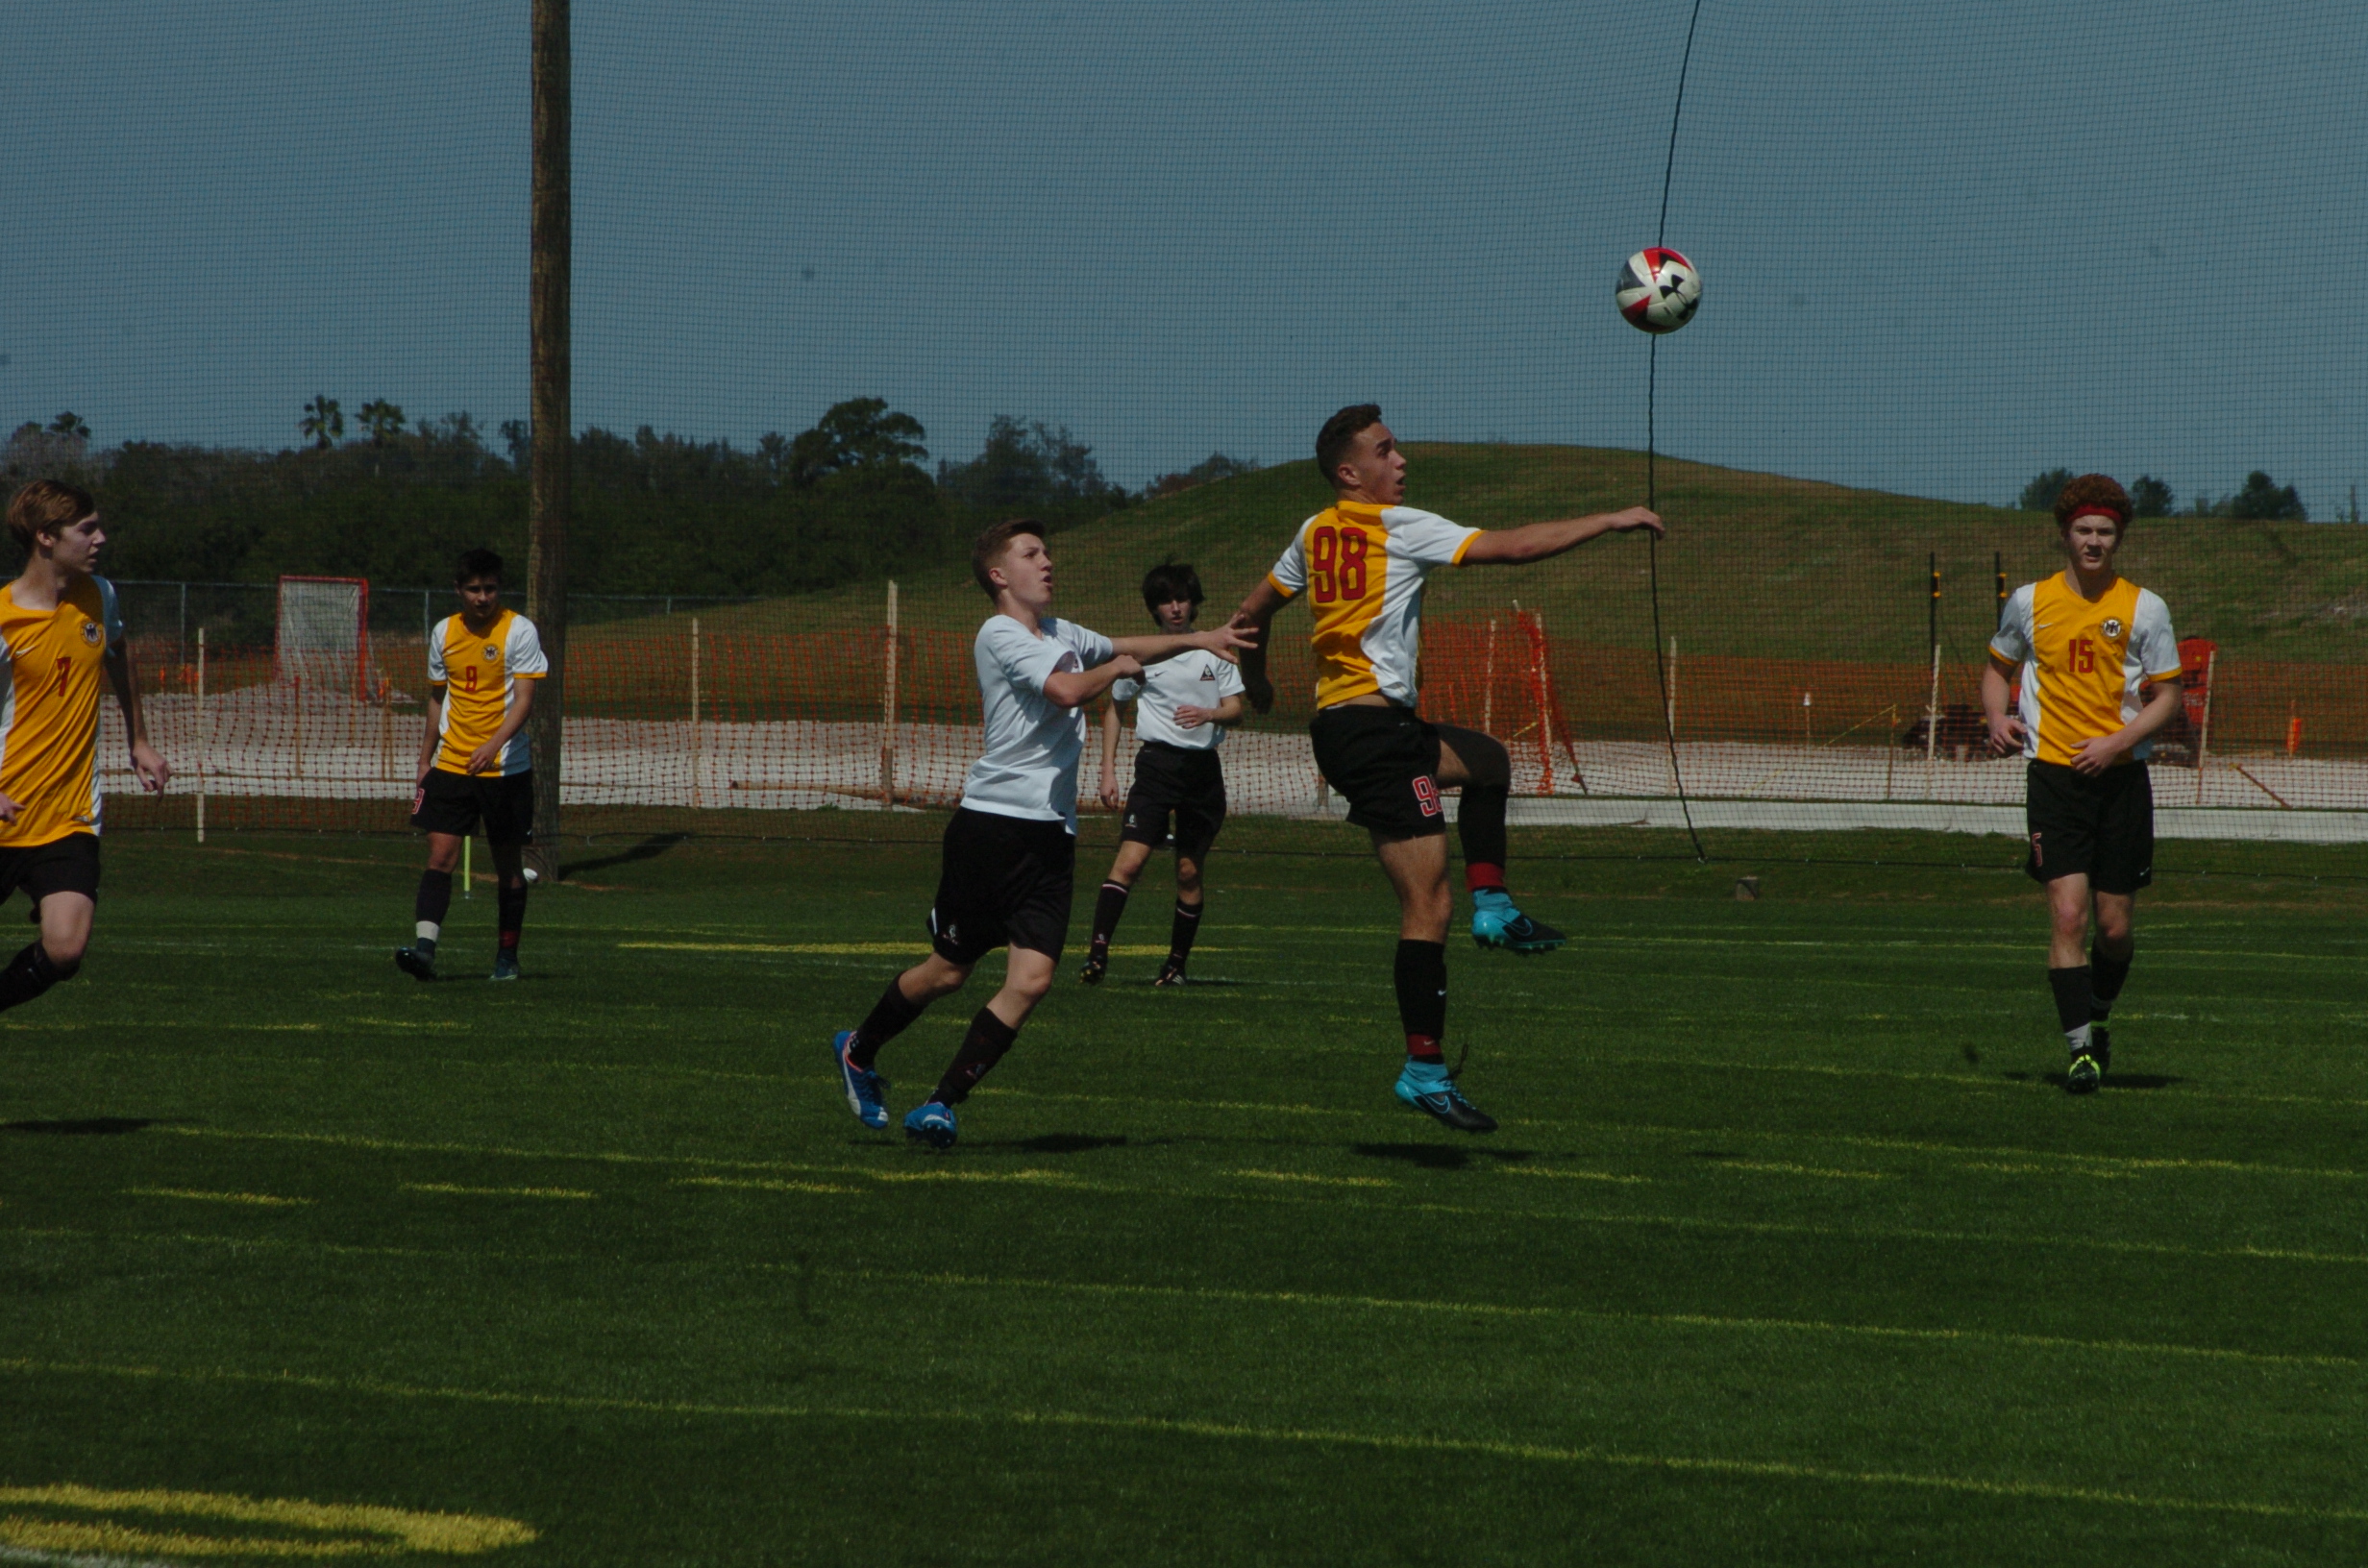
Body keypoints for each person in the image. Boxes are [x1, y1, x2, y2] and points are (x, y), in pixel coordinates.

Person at [1230, 404, 1661, 1133]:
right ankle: (1423, 1073)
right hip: (1372, 736)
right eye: (1385, 451)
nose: (1401, 461)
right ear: (1350, 473)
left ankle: (1496, 907)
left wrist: (1259, 682)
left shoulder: (1314, 532)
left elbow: (1250, 615)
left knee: (1489, 761)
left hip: (1369, 728)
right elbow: (1513, 548)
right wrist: (1611, 519)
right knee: (1427, 909)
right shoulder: (1396, 527)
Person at [831, 520, 1253, 1149]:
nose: (1048, 562)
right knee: (948, 973)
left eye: (1047, 552)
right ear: (999, 576)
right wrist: (1117, 668)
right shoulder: (1000, 633)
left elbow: (1123, 643)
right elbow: (1064, 690)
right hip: (991, 829)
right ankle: (858, 1050)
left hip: (1052, 836)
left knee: (1031, 982)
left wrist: (1202, 638)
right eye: (1032, 554)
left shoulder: (1060, 632)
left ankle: (941, 1104)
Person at [1983, 474, 2183, 1093]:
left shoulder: (2145, 608)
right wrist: (1996, 718)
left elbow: (2168, 695)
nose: (2094, 541)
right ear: (2064, 535)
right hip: (2054, 780)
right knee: (2068, 916)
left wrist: (2116, 743)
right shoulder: (2028, 602)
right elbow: (1996, 670)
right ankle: (2080, 1054)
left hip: (2121, 782)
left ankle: (2098, 1017)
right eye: (2084, 530)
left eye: (2106, 532)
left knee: (2114, 930)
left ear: (2119, 539)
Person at [0, 481, 171, 1021]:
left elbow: (117, 652)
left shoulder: (100, 594)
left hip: (67, 816)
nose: (101, 538)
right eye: (87, 529)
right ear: (46, 537)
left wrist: (138, 739)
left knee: (65, 949)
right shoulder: (3, 618)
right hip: (4, 809)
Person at [1081, 562, 1246, 988]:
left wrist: (1209, 714)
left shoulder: (1215, 650)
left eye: (1182, 599)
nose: (1175, 608)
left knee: (1189, 872)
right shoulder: (1142, 654)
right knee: (1130, 861)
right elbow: (1115, 709)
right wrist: (1107, 770)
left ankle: (1175, 967)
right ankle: (1097, 955)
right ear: (1154, 608)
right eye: (1166, 601)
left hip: (1202, 771)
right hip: (1156, 767)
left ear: (1193, 603)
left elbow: (1236, 709)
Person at [395, 549, 549, 982]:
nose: (483, 597)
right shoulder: (444, 632)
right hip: (452, 766)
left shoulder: (519, 630)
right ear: (459, 590)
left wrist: (493, 745)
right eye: (475, 589)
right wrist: (424, 759)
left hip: (506, 769)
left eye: (491, 589)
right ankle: (424, 952)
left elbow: (525, 701)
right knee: (440, 857)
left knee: (508, 866)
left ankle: (507, 958)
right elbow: (437, 697)